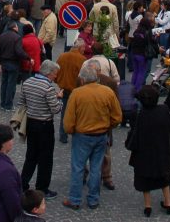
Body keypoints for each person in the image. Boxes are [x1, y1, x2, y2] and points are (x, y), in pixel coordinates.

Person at [62, 64, 122, 211]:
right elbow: (117, 117)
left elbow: (68, 120)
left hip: (82, 136)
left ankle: (75, 199)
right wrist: (108, 127)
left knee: (78, 167)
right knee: (96, 168)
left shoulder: (76, 93)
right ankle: (93, 199)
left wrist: (70, 130)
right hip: (101, 135)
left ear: (82, 79)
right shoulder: (108, 92)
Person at [16, 59, 63, 198]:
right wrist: (59, 98)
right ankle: (42, 188)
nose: (56, 77)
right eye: (55, 74)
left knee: (31, 156)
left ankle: (22, 184)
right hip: (44, 126)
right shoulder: (48, 87)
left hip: (30, 123)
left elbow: (21, 103)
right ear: (49, 73)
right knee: (45, 159)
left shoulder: (27, 82)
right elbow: (55, 109)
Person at [126, 84, 170, 217]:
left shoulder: (138, 114)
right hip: (161, 150)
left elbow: (134, 131)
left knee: (144, 179)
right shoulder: (163, 110)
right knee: (163, 177)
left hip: (143, 152)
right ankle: (168, 202)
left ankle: (148, 206)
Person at [55, 38, 85, 144]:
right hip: (76, 90)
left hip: (64, 88)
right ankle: (76, 135)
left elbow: (55, 71)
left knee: (65, 112)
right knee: (78, 113)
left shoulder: (62, 56)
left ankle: (63, 135)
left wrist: (58, 81)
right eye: (84, 48)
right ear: (81, 47)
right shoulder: (82, 59)